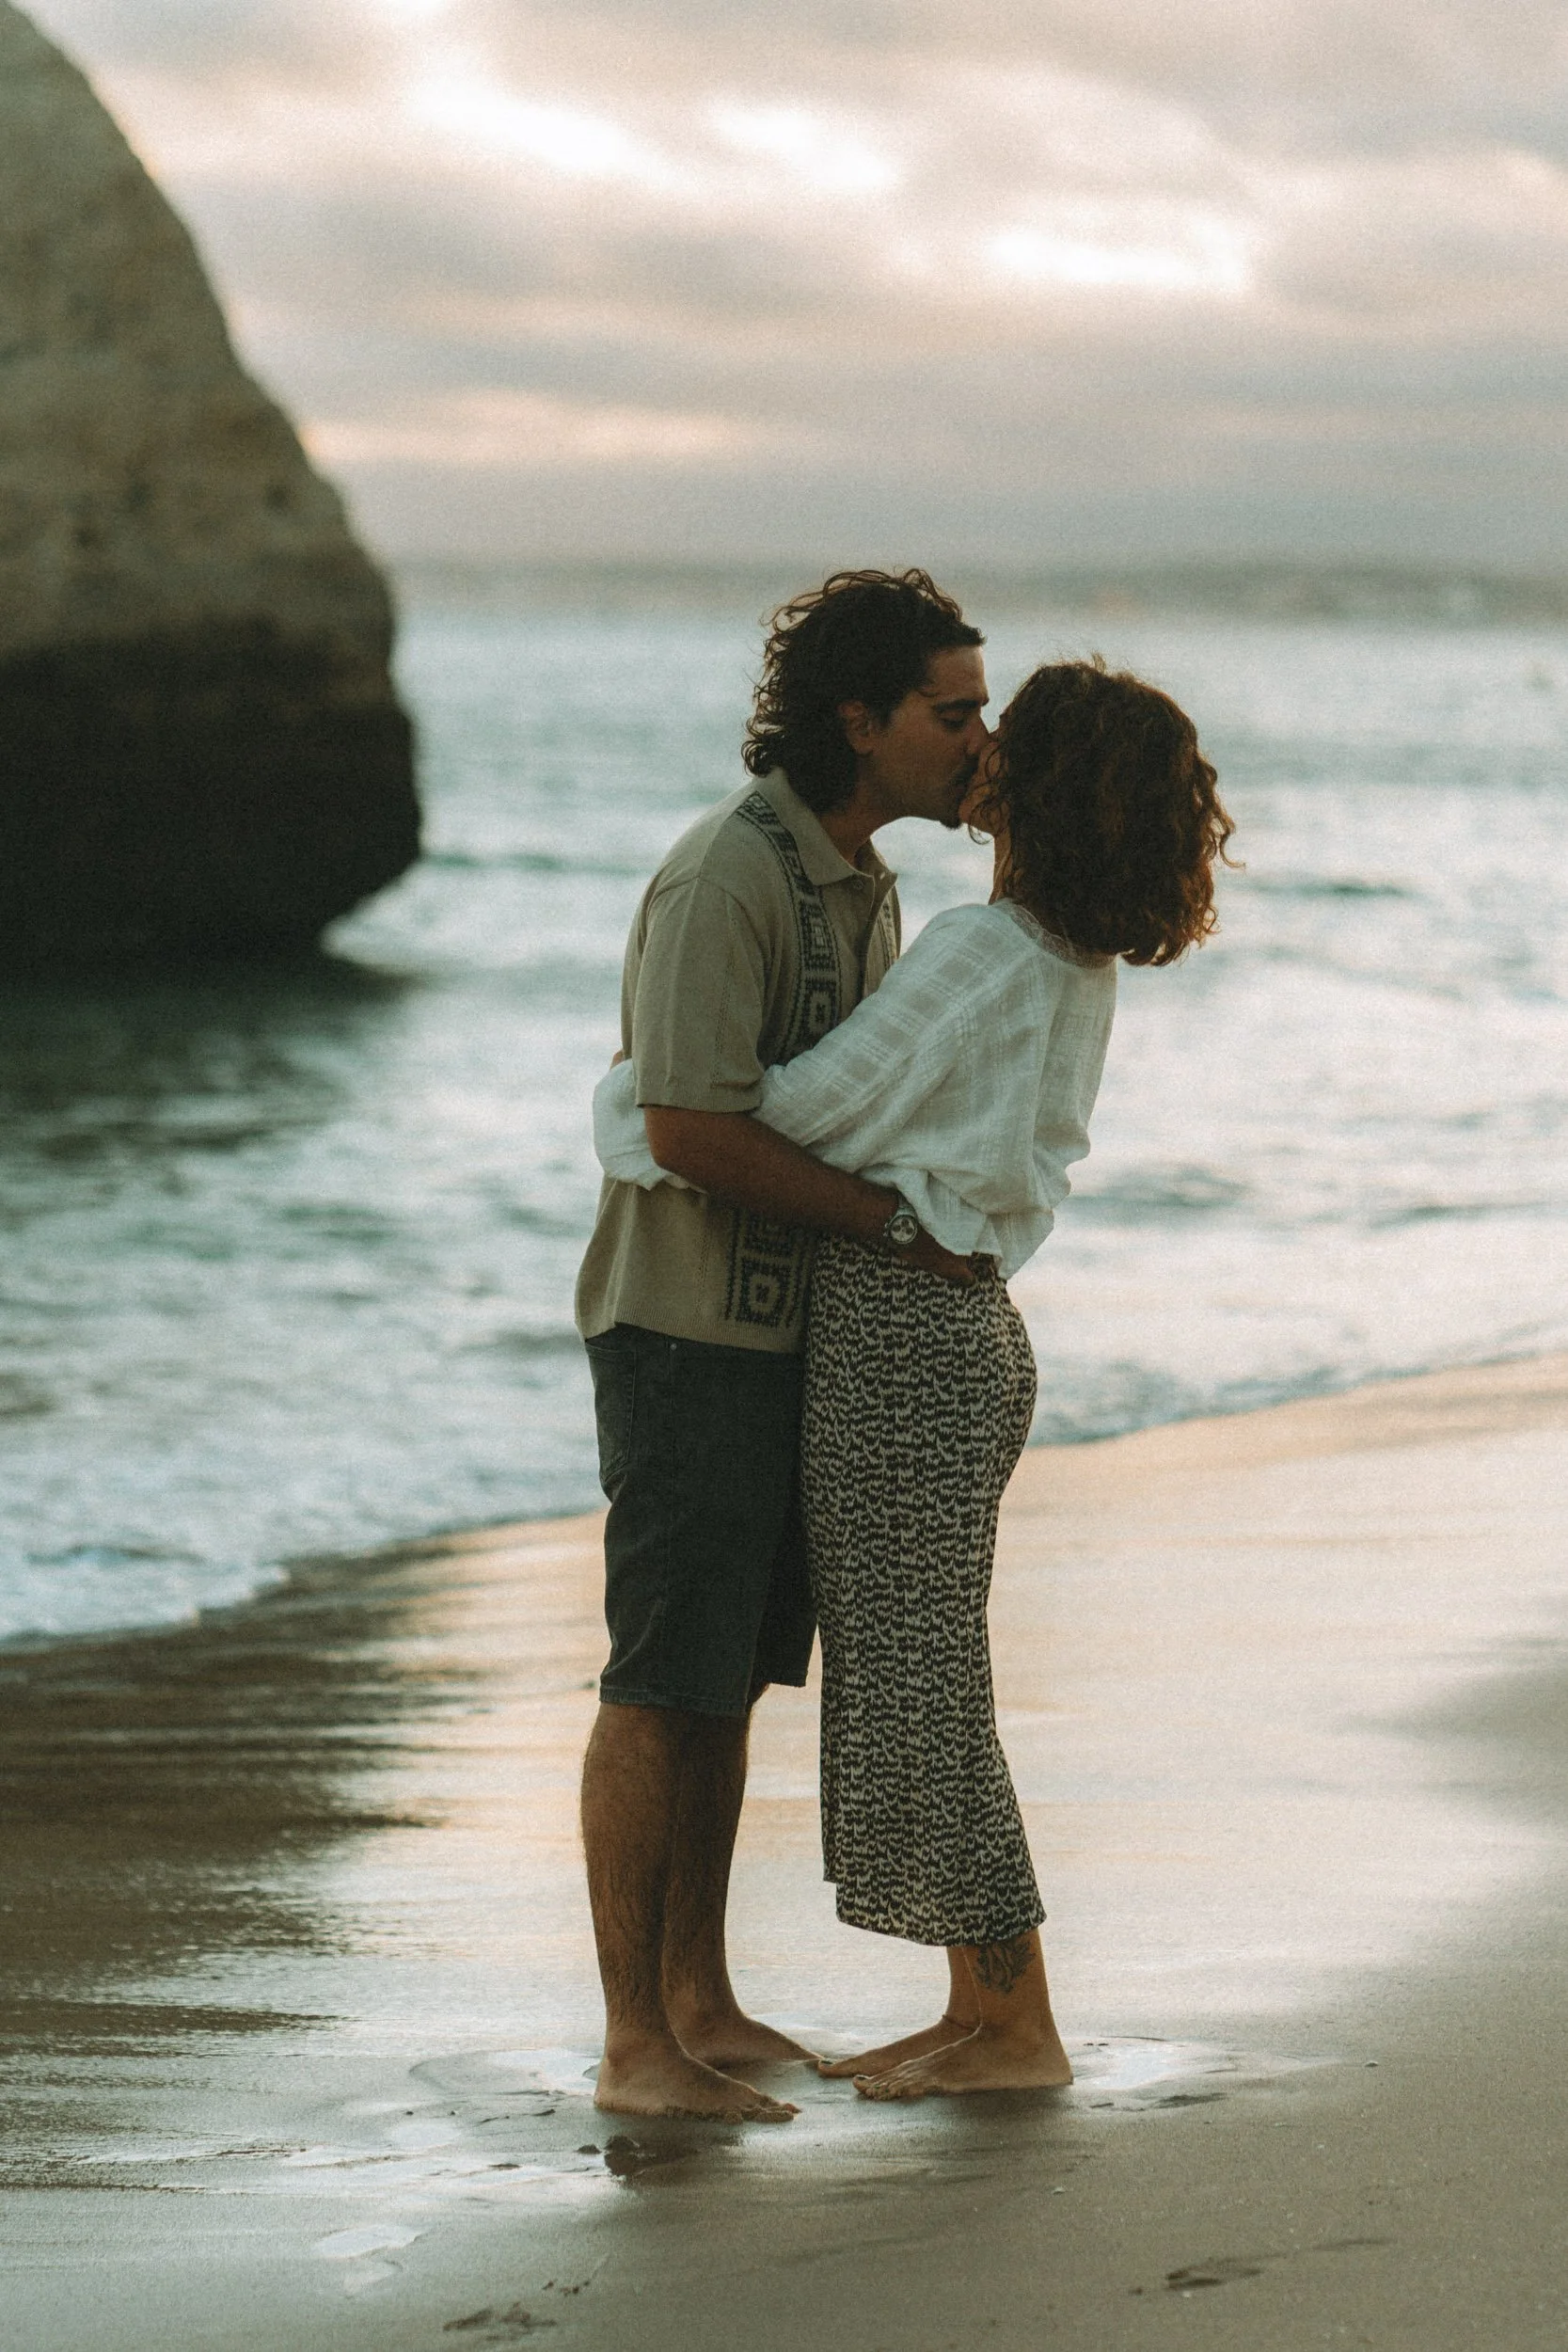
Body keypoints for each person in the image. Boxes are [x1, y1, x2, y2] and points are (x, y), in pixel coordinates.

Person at [596, 656, 1235, 2099]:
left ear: (1041, 784)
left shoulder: (980, 953)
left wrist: (633, 1096)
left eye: (1006, 732)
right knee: (923, 1681)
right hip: (957, 1333)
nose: (980, 745)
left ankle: (1013, 2025)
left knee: (922, 1693)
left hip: (902, 1337)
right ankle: (977, 2010)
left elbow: (793, 1117)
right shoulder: (1057, 958)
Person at [574, 569, 991, 2124]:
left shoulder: (863, 880)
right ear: (859, 720)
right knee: (659, 1681)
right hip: (685, 1333)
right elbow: (686, 1124)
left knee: (729, 1680)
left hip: (784, 1338)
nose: (978, 740)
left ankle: (699, 2000)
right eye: (954, 713)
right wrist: (892, 1228)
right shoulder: (727, 873)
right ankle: (635, 2044)